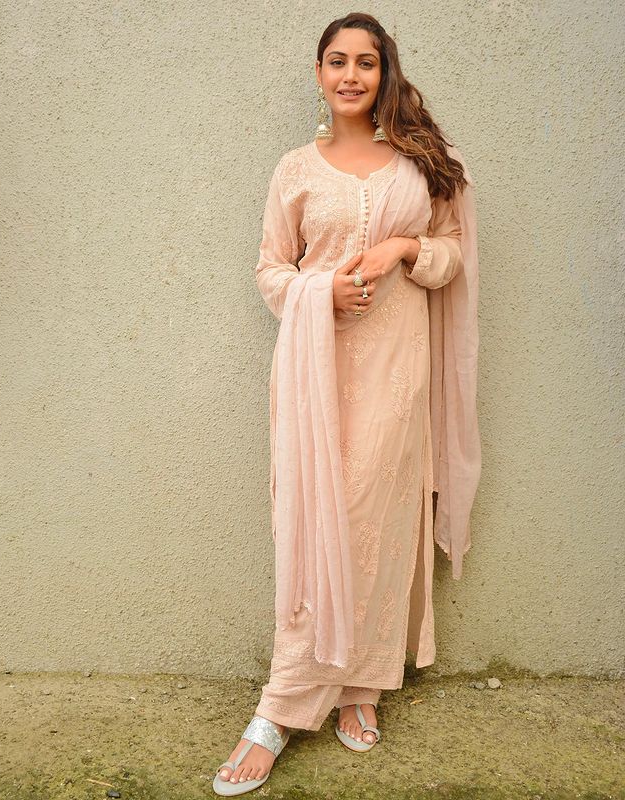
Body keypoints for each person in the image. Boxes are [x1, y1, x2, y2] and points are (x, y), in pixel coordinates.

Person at [213, 11, 481, 797]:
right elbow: (270, 271)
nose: (352, 75)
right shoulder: (295, 169)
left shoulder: (421, 164)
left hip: (397, 372)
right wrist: (320, 292)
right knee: (312, 528)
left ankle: (363, 685)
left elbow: (451, 254)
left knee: (378, 523)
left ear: (385, 72)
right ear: (319, 73)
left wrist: (403, 247)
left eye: (367, 61)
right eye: (338, 61)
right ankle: (284, 703)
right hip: (316, 376)